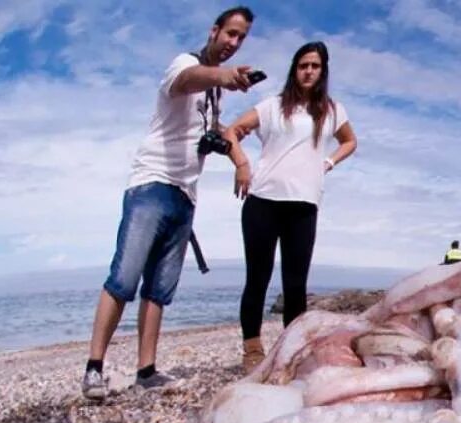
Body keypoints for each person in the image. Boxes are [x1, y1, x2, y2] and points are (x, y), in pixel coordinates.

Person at [81, 6, 259, 401]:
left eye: (241, 38)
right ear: (214, 31)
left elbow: (215, 132)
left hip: (185, 194)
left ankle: (146, 371)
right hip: (151, 185)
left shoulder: (214, 95)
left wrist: (240, 161)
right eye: (230, 34)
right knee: (124, 279)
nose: (233, 43)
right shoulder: (186, 65)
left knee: (160, 288)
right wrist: (224, 77)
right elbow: (185, 81)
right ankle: (94, 369)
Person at [223, 41, 357, 372]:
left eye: (315, 66)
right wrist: (241, 164)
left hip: (304, 205)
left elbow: (350, 141)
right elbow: (232, 131)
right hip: (263, 202)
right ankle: (252, 349)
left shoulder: (332, 110)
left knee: (295, 284)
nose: (308, 71)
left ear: (323, 71)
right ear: (294, 70)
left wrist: (327, 162)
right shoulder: (273, 106)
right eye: (303, 65)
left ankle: (292, 350)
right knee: (258, 278)